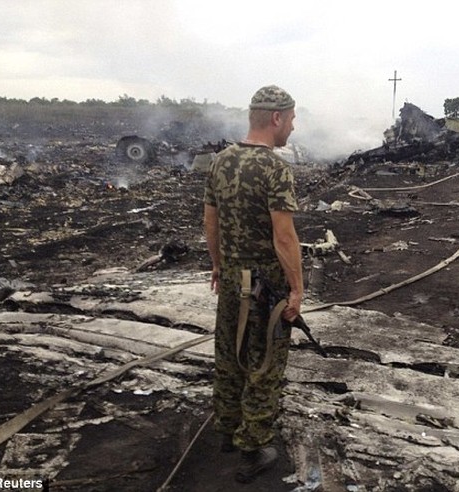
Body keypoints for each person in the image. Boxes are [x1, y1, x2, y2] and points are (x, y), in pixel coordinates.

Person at [203, 85, 303, 483]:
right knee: (263, 363)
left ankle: (228, 429)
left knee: (229, 354)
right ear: (276, 118)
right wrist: (296, 288)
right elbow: (284, 238)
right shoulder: (276, 169)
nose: (293, 128)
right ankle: (255, 444)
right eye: (292, 119)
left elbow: (210, 223)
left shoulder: (220, 161)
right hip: (265, 286)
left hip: (229, 278)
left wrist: (217, 265)